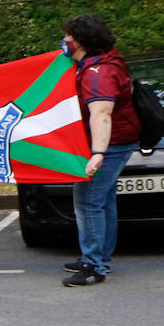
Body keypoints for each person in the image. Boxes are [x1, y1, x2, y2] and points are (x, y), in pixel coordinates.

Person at [60, 14, 140, 287]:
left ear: (81, 40)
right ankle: (99, 258)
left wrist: (97, 152)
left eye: (69, 36)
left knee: (88, 202)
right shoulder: (100, 61)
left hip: (112, 143)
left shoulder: (98, 72)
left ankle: (94, 266)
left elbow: (102, 112)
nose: (65, 41)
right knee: (104, 201)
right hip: (119, 139)